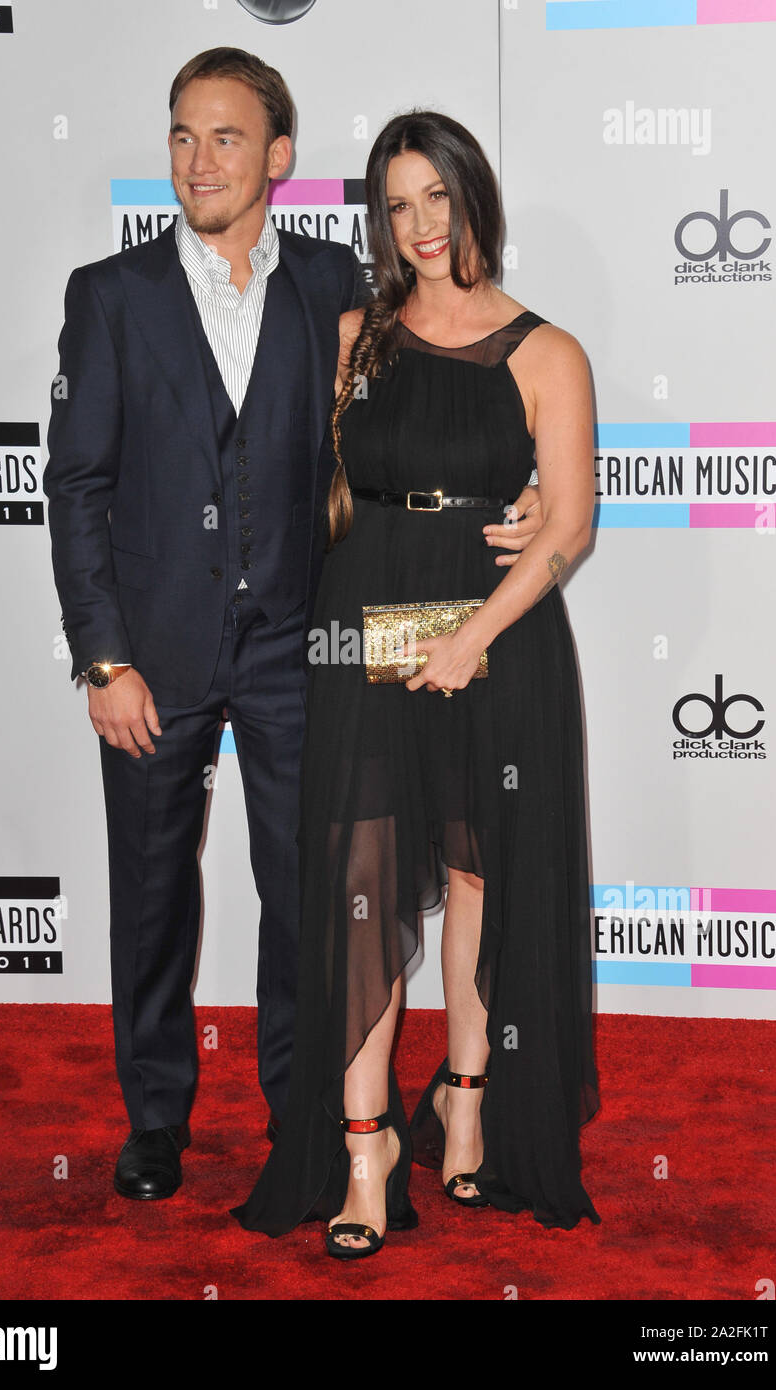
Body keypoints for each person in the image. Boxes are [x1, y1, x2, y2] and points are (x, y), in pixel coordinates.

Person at [44, 56, 543, 1202]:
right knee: (154, 891)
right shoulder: (108, 294)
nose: (197, 160)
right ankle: (156, 1122)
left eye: (225, 138)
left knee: (312, 894)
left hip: (299, 647)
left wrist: (515, 491)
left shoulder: (334, 285)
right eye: (180, 137)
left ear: (278, 156)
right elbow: (77, 484)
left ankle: (302, 1112)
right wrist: (102, 655)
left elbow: (437, 383)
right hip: (152, 653)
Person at [233, 110, 600, 1258]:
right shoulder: (357, 337)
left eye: (436, 196)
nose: (420, 225)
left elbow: (570, 524)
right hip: (367, 625)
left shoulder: (548, 351)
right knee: (361, 879)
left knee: (480, 872)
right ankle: (364, 1147)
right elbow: (292, 476)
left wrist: (474, 630)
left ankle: (469, 1103)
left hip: (500, 638)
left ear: (472, 194)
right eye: (397, 206)